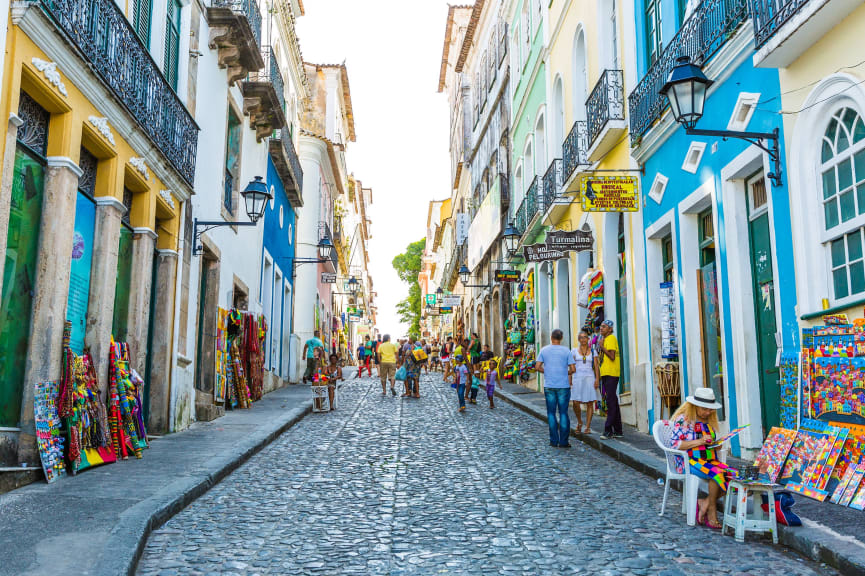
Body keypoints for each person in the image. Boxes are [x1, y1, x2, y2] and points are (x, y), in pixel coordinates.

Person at [670, 388, 731, 529]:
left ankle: (706, 502)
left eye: (710, 410)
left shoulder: (709, 421)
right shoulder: (683, 420)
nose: (708, 412)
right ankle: (712, 512)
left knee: (734, 476)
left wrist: (716, 445)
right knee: (717, 473)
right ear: (695, 406)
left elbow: (710, 445)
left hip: (709, 461)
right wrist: (700, 441)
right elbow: (675, 444)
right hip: (688, 461)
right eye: (705, 409)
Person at [536, 329, 576, 448]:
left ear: (551, 337)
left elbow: (537, 367)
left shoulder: (544, 350)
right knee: (563, 413)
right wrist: (565, 372)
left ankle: (554, 440)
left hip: (549, 385)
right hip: (563, 385)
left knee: (551, 413)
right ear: (561, 338)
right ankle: (564, 441)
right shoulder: (566, 351)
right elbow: (573, 369)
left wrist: (547, 371)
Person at [570, 329, 600, 434]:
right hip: (577, 378)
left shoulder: (593, 351)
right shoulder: (573, 351)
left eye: (585, 337)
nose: (583, 339)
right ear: (578, 339)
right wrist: (570, 381)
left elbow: (596, 366)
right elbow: (570, 366)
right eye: (581, 337)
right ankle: (579, 422)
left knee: (590, 402)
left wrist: (597, 379)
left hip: (590, 378)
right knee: (575, 402)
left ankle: (587, 426)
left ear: (588, 339)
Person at [598, 319, 623, 440]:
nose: (601, 328)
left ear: (610, 329)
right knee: (613, 401)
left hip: (611, 373)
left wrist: (602, 347)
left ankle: (608, 430)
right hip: (606, 373)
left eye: (604, 326)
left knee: (610, 401)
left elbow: (612, 356)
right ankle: (618, 430)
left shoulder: (611, 339)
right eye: (601, 326)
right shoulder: (605, 339)